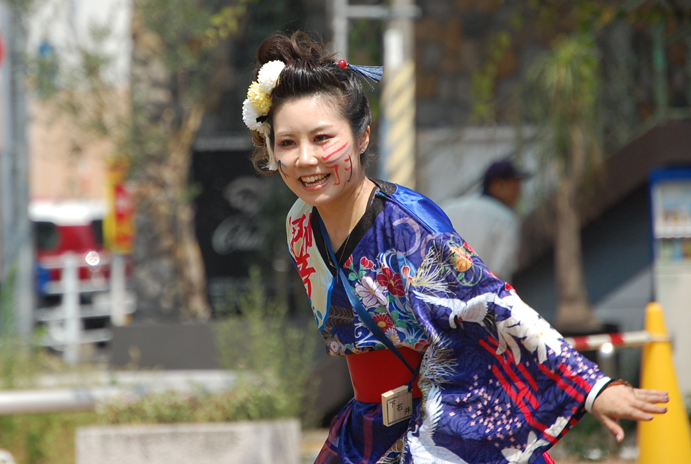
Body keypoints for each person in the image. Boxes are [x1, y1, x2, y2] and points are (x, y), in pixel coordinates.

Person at [242, 31, 668, 464]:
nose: (306, 159)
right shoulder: (300, 221)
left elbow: (493, 301)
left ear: (363, 137)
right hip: (368, 427)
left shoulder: (407, 225)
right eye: (287, 143)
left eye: (322, 138)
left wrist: (593, 388)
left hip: (445, 427)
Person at [442, 160, 530, 283]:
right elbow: (499, 272)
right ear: (498, 185)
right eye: (515, 188)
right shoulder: (506, 219)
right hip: (479, 296)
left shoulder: (448, 208)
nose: (519, 194)